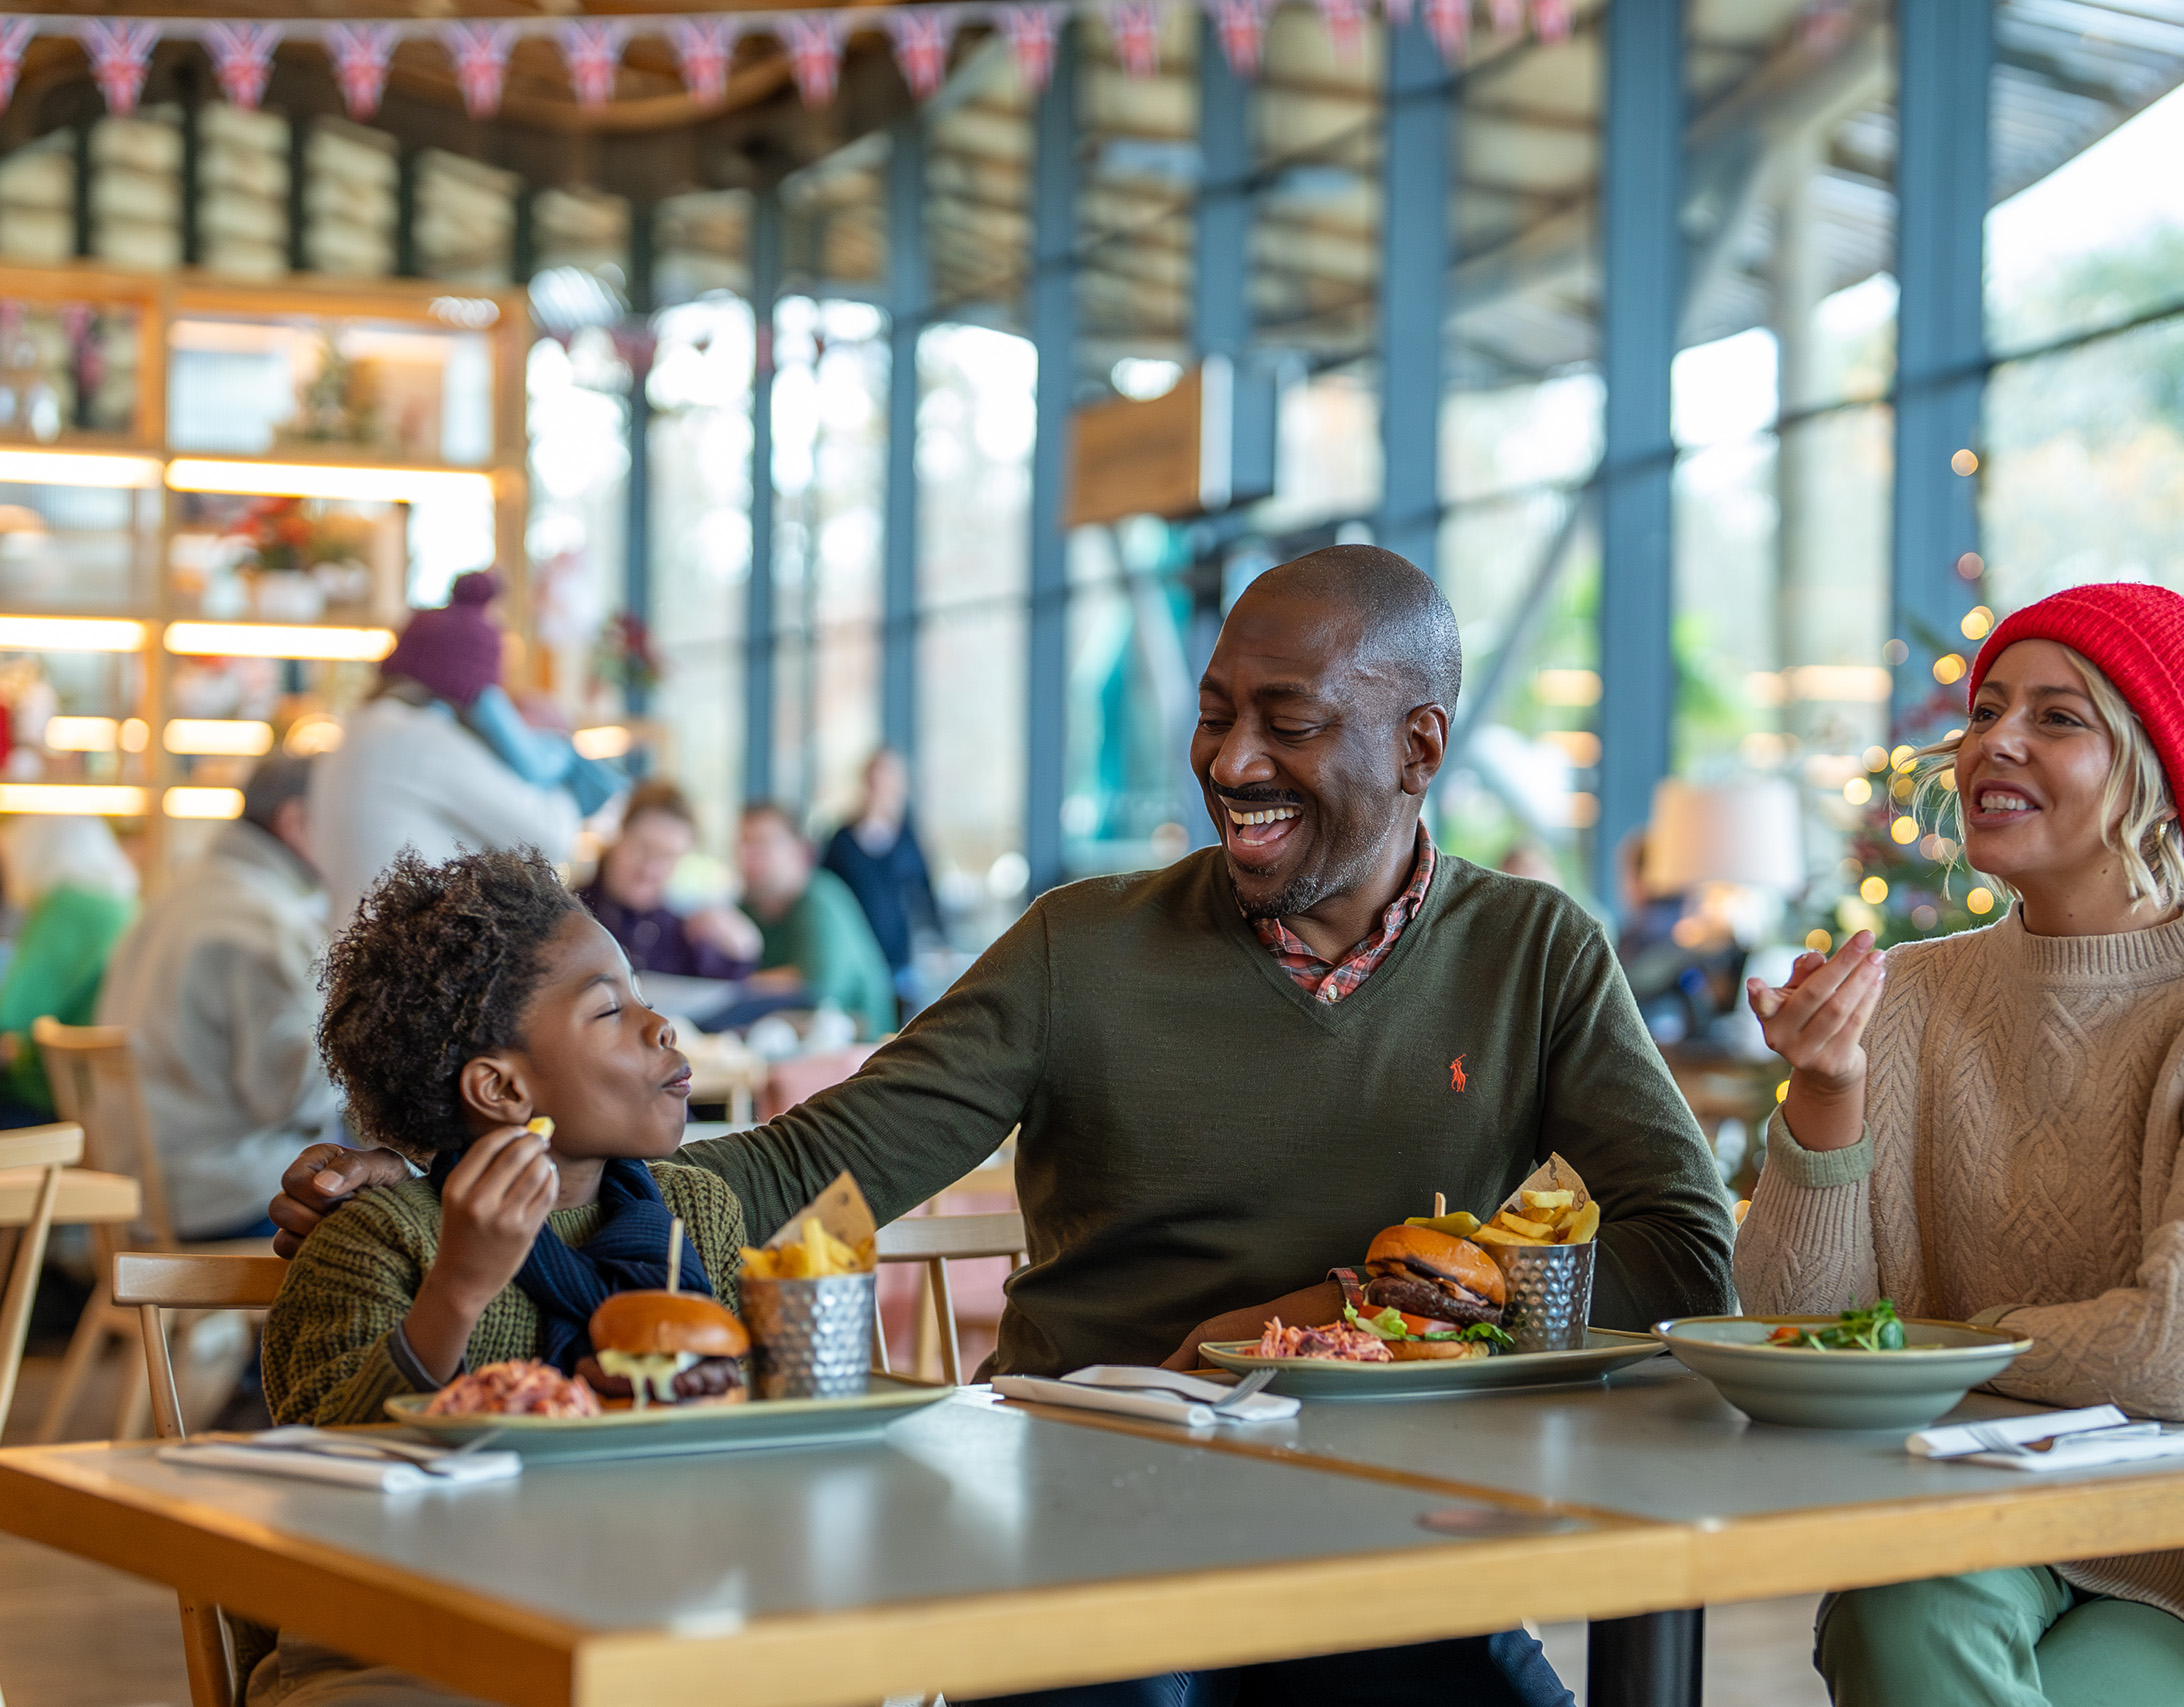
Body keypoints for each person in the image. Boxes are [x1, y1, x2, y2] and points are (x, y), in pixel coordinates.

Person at [270, 545, 1734, 1707]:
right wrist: (436, 1178)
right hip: (1086, 1523)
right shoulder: (1079, 947)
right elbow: (790, 1173)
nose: (1227, 763)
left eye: (1286, 724)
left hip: (1390, 1522)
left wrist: (1383, 1320)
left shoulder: (1532, 950)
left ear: (1420, 745)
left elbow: (1682, 1255)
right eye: (1214, 711)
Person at [1736, 583, 2184, 1707]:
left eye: (2058, 718)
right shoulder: (1902, 997)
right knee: (1889, 1608)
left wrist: (1933, 1349)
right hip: (1988, 1505)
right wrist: (1826, 1090)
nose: (1991, 740)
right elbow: (1800, 1330)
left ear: (2154, 772)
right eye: (1988, 708)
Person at [253, 845, 743, 1707]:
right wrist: (458, 1289)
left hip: (642, 1610)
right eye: (608, 1011)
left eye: (640, 993)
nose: (659, 1024)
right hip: (406, 1643)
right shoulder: (376, 1239)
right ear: (502, 1088)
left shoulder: (693, 1216)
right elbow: (323, 1486)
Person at [96, 756, 334, 1239]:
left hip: (137, 1190)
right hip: (211, 1196)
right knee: (401, 1216)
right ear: (295, 822)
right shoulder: (260, 922)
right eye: (347, 820)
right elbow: (292, 1097)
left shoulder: (180, 894)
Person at [306, 572, 605, 927]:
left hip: (361, 949)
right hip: (413, 959)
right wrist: (553, 757)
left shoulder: (361, 728)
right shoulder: (420, 739)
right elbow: (549, 841)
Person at [0, 815, 138, 1123]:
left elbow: (12, 1011)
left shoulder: (68, 906)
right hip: (100, 1090)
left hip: (51, 1097)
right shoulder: (119, 902)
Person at [734, 802, 897, 1040]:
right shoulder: (747, 909)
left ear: (801, 851)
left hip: (858, 1057)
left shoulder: (819, 900)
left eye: (761, 844)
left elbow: (815, 986)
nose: (747, 856)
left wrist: (731, 986)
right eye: (742, 844)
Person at [578, 781, 761, 982]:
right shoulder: (569, 912)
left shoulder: (680, 932)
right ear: (619, 835)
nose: (649, 870)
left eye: (667, 857)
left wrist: (738, 949)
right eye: (643, 849)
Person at [821, 747, 946, 983]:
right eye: (876, 778)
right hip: (854, 952)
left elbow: (924, 893)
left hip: (899, 956)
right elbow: (826, 892)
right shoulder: (842, 840)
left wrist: (940, 940)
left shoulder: (909, 838)